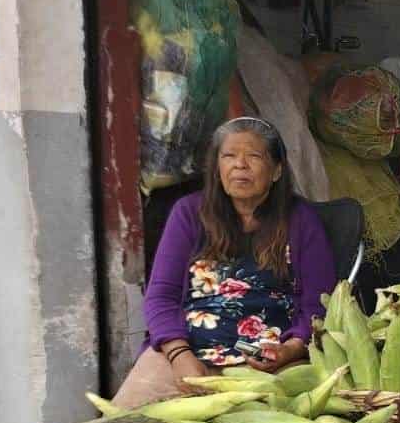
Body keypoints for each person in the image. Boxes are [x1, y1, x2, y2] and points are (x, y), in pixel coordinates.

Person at [113, 116, 337, 407]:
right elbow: (161, 297)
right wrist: (179, 356)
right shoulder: (189, 213)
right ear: (217, 169)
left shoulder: (300, 220)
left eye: (254, 156)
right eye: (229, 156)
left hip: (269, 361)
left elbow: (319, 304)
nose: (240, 165)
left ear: (277, 170)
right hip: (186, 351)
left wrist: (291, 349)